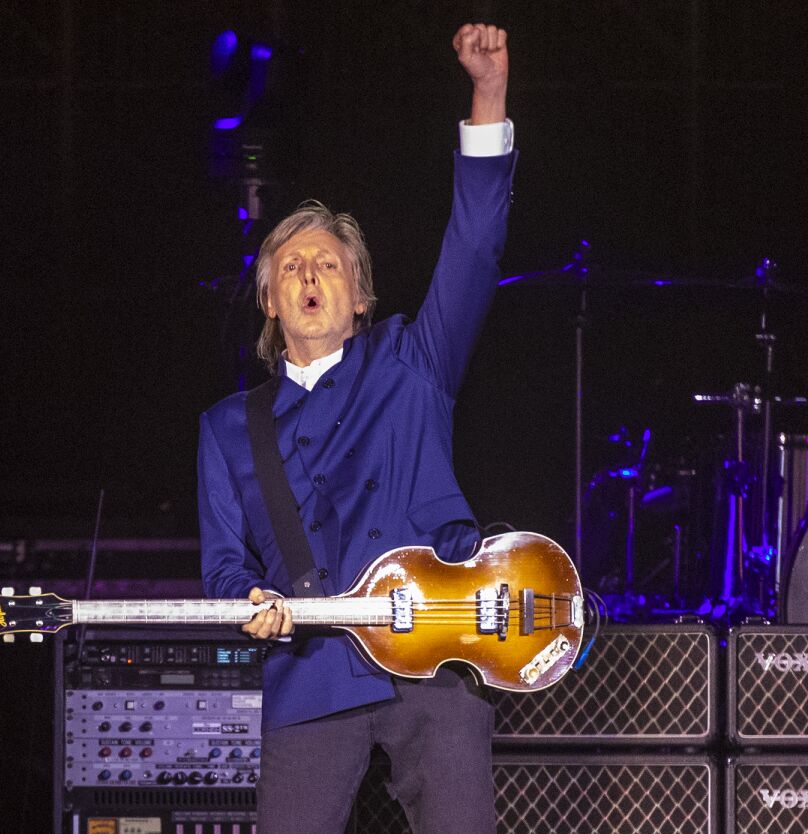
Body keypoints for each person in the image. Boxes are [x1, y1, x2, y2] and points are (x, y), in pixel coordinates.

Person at [197, 22, 514, 834]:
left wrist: (487, 95)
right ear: (269, 301)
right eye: (291, 268)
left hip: (434, 664)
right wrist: (249, 602)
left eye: (328, 263)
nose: (309, 274)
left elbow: (474, 249)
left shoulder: (413, 364)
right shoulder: (229, 429)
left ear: (360, 297)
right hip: (311, 673)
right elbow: (226, 566)